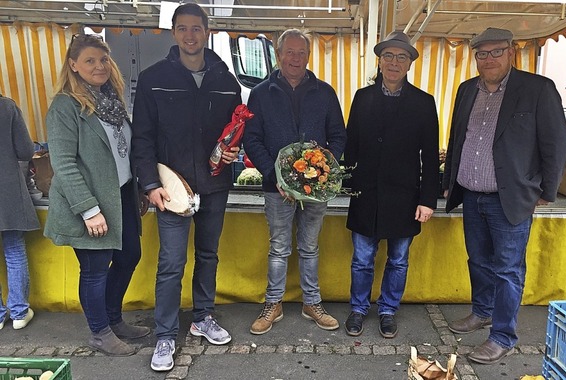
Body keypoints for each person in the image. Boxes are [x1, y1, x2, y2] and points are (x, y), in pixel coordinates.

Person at [443, 27, 566, 364]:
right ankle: (482, 311)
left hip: (509, 198)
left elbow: (556, 144)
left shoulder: (537, 89)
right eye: (481, 54)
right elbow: (458, 138)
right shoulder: (467, 90)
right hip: (471, 194)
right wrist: (448, 180)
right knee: (478, 260)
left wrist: (547, 191)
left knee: (508, 269)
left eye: (496, 51)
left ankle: (502, 335)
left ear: (511, 52)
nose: (488, 59)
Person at [131, 3, 241, 372]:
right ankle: (164, 334)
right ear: (173, 32)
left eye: (197, 28)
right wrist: (149, 184)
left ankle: (202, 316)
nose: (190, 35)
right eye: (183, 28)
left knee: (208, 255)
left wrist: (234, 150)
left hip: (214, 184)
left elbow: (233, 133)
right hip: (170, 188)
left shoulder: (226, 80)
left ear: (207, 32)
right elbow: (142, 138)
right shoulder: (153, 78)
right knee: (171, 263)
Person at [44, 34, 150, 356]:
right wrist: (89, 210)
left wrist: (138, 188)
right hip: (90, 202)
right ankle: (100, 332)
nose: (99, 66)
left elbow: (123, 152)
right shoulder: (65, 106)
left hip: (120, 196)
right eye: (90, 60)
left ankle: (113, 319)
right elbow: (62, 163)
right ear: (73, 65)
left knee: (130, 255)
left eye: (103, 59)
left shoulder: (111, 101)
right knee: (94, 269)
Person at [243, 28, 347, 336]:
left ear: (308, 56)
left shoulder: (325, 92)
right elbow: (252, 139)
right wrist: (274, 175)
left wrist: (327, 163)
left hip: (316, 189)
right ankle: (273, 304)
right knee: (278, 248)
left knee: (310, 246)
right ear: (278, 55)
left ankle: (311, 302)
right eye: (289, 52)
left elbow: (339, 136)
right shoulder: (260, 93)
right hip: (276, 189)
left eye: (301, 53)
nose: (295, 58)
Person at [342, 31, 440, 339]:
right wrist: (346, 183)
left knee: (398, 259)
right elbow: (351, 146)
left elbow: (429, 154)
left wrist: (428, 200)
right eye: (388, 56)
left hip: (404, 196)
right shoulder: (362, 97)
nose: (394, 63)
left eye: (401, 57)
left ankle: (387, 310)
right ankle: (358, 308)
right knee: (361, 259)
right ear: (380, 61)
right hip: (366, 194)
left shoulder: (424, 103)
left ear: (410, 63)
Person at [0, 94, 39, 331]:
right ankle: (19, 313)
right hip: (7, 192)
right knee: (14, 249)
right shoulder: (6, 107)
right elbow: (26, 150)